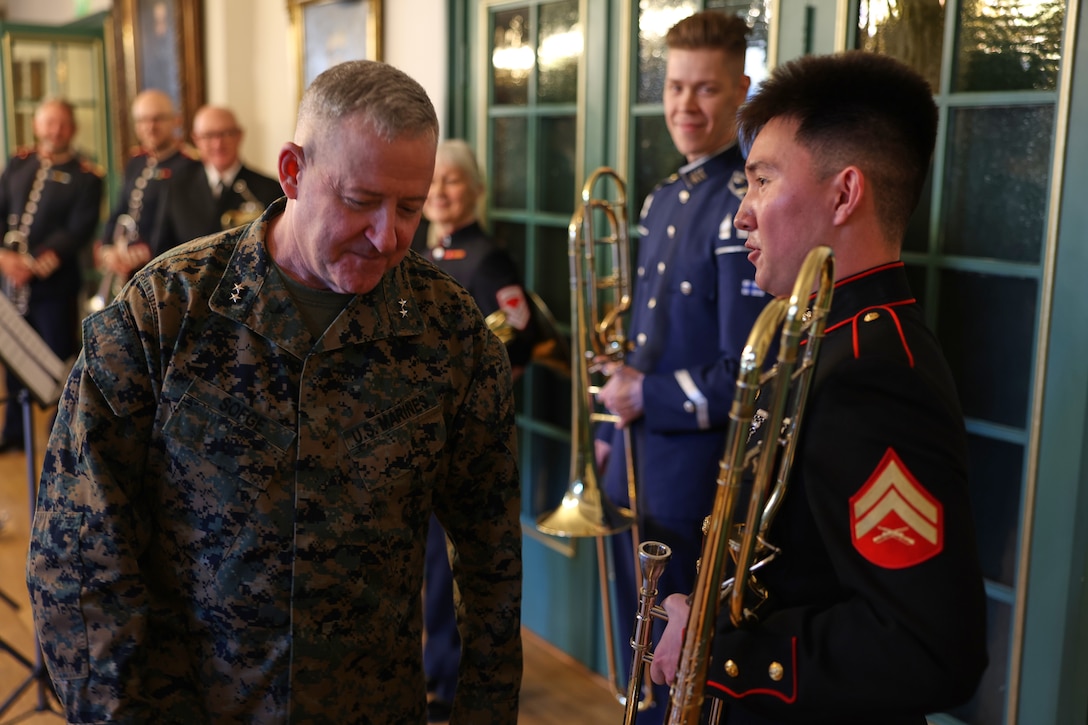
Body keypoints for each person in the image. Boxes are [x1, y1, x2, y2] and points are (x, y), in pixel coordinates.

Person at [27, 60, 523, 723]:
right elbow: (79, 558)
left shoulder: (448, 331)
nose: (388, 236)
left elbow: (491, 557)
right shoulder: (164, 313)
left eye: (410, 207)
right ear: (292, 172)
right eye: (360, 200)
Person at [646, 51, 989, 723]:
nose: (742, 214)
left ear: (844, 193)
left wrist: (717, 651)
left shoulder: (872, 370)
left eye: (762, 180)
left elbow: (928, 647)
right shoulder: (825, 337)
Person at [594, 12, 770, 722]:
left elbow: (746, 373)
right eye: (673, 87)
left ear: (741, 91)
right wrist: (611, 422)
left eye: (704, 89)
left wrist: (647, 398)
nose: (684, 106)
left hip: (693, 479)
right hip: (632, 460)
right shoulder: (664, 197)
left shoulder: (740, 206)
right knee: (635, 660)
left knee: (677, 678)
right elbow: (646, 339)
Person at [416, 138, 537, 721]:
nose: (440, 191)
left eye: (454, 181)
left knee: (451, 566)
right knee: (430, 563)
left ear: (477, 190)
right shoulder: (428, 249)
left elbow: (521, 341)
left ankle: (446, 677)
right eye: (433, 180)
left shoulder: (487, 258)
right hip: (424, 430)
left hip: (462, 435)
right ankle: (436, 666)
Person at [0, 98, 103, 453]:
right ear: (36, 126)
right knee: (14, 361)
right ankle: (13, 432)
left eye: (61, 124)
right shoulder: (19, 163)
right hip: (10, 283)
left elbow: (78, 229)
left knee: (58, 360)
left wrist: (34, 264)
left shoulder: (87, 176)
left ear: (72, 129)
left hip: (54, 287)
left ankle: (58, 436)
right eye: (47, 123)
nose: (53, 130)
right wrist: (4, 259)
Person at [95, 88, 199, 292]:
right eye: (142, 120)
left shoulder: (190, 166)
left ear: (176, 121)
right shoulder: (136, 162)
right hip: (124, 272)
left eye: (158, 119)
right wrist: (108, 248)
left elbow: (186, 230)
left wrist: (145, 252)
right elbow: (120, 210)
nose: (150, 127)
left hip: (163, 276)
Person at [154, 104, 283, 253]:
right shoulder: (176, 187)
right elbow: (161, 253)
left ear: (239, 135)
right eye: (208, 136)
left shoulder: (270, 190)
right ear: (196, 139)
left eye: (226, 133)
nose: (218, 144)